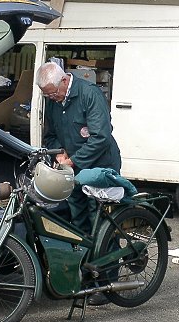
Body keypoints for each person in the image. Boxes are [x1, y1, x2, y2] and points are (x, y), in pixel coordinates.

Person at [36, 61, 121, 306]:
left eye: (53, 92)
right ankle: (85, 276)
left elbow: (101, 136)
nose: (51, 97)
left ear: (64, 81)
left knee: (102, 222)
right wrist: (59, 154)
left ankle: (106, 284)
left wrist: (73, 160)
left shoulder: (89, 94)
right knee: (78, 220)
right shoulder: (53, 101)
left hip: (101, 166)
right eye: (47, 95)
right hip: (72, 168)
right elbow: (50, 133)